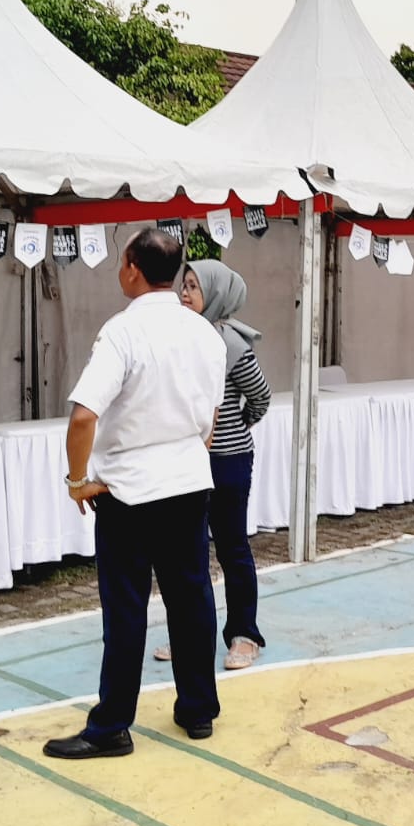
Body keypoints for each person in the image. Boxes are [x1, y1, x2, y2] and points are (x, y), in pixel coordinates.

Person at [44, 228, 227, 761]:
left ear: (130, 267)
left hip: (129, 491)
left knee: (125, 609)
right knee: (191, 599)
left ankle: (112, 725)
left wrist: (78, 480)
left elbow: (83, 416)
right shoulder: (205, 334)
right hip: (188, 483)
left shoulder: (123, 332)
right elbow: (210, 418)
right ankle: (198, 709)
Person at [154, 259, 270, 670]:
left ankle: (244, 635)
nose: (184, 293)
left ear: (216, 295)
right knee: (186, 552)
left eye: (193, 287)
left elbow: (261, 399)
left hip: (227, 462)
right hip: (185, 461)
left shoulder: (234, 348)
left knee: (232, 547)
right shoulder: (173, 339)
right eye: (182, 285)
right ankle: (189, 634)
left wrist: (231, 431)